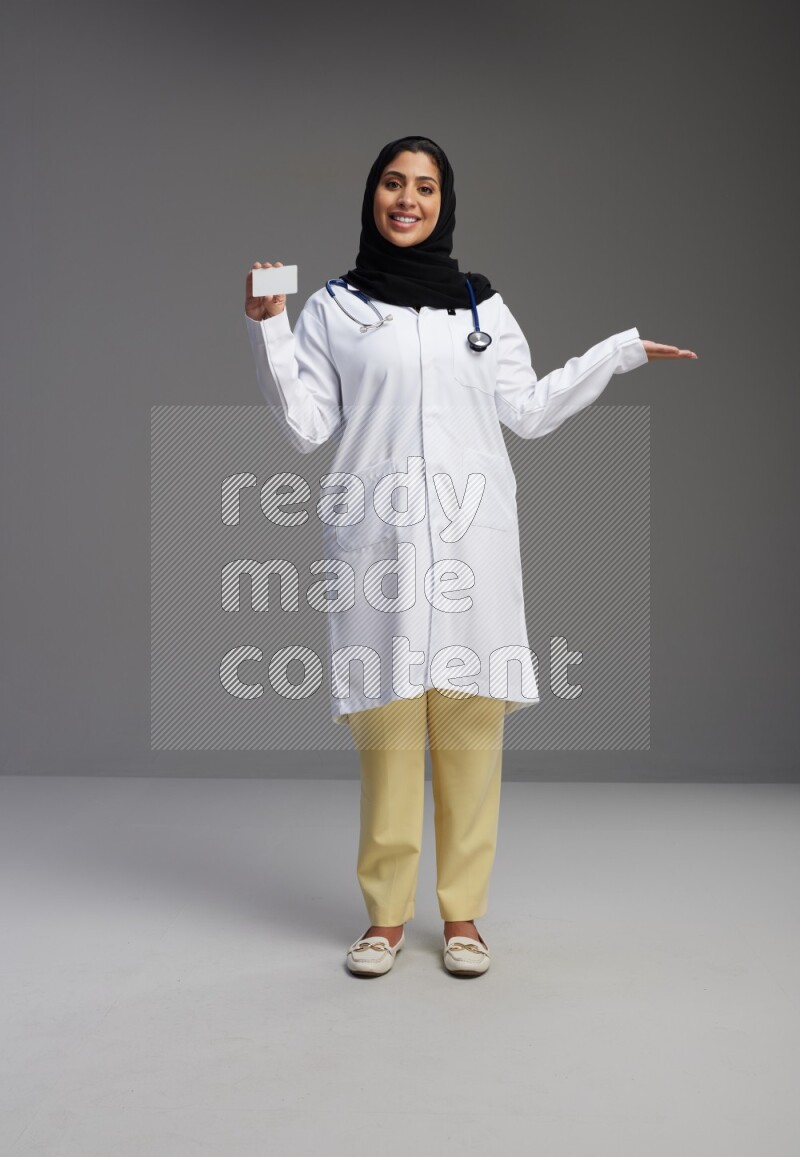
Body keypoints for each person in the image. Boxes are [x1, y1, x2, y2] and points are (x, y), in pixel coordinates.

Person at [243, 134, 697, 979]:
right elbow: (306, 427)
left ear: (445, 202)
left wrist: (619, 352)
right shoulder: (336, 308)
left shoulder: (482, 309)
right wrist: (271, 331)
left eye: (424, 186)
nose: (407, 199)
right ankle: (383, 919)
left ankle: (461, 917)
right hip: (376, 542)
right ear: (371, 196)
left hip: (470, 545)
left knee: (466, 732)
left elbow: (527, 409)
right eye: (392, 183)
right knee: (386, 731)